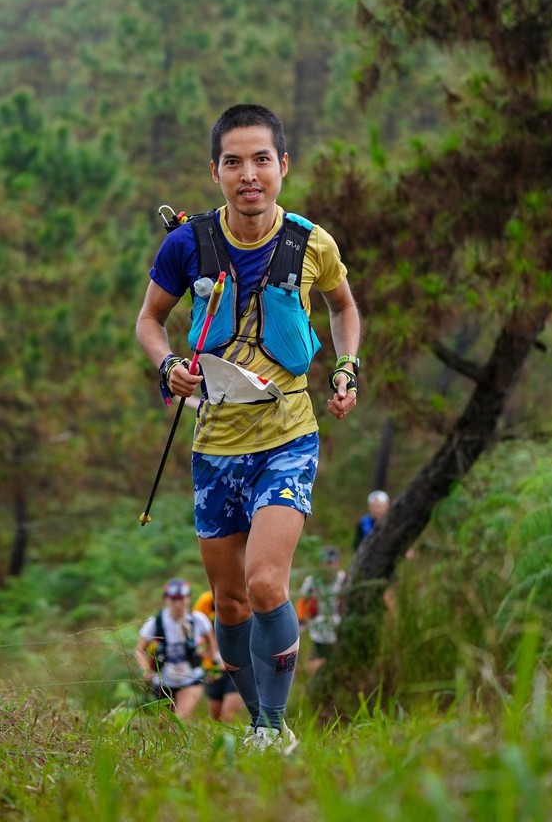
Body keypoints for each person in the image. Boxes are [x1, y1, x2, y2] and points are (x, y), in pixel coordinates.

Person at [136, 103, 360, 753]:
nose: (249, 174)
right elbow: (149, 322)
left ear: (283, 166)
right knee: (229, 603)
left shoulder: (312, 243)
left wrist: (347, 367)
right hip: (215, 445)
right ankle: (257, 712)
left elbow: (344, 308)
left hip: (289, 434)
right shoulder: (186, 245)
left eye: (262, 159)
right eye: (234, 161)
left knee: (267, 582)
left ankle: (270, 727)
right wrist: (170, 363)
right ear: (216, 172)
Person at [135, 577, 216, 720]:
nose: (178, 604)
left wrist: (208, 656)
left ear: (188, 599)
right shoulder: (156, 622)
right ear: (167, 600)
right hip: (163, 683)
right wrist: (146, 669)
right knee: (164, 728)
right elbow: (139, 650)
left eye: (182, 599)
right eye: (173, 600)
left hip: (191, 679)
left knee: (180, 720)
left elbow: (211, 641)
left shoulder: (197, 620)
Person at [192, 590, 245, 723]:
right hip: (214, 669)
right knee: (217, 720)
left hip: (239, 668)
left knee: (228, 717)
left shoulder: (246, 596)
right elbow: (195, 629)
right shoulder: (207, 600)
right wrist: (204, 653)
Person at [296, 546, 346, 674]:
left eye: (333, 563)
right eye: (327, 563)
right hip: (318, 625)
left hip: (339, 623)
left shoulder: (342, 579)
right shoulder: (313, 580)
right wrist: (301, 622)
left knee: (337, 659)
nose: (330, 566)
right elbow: (302, 600)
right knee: (318, 658)